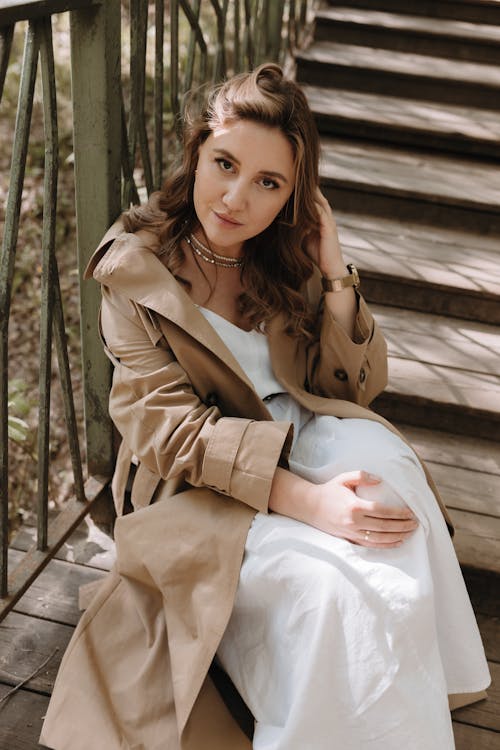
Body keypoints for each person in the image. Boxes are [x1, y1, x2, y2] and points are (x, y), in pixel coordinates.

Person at [41, 63, 490, 750]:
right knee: (335, 589)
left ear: (292, 197)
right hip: (206, 487)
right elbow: (167, 431)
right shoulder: (136, 269)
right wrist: (308, 503)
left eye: (268, 183)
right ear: (196, 152)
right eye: (224, 163)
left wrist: (334, 269)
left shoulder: (281, 258)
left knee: (391, 509)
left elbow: (351, 391)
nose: (235, 198)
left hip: (310, 434)